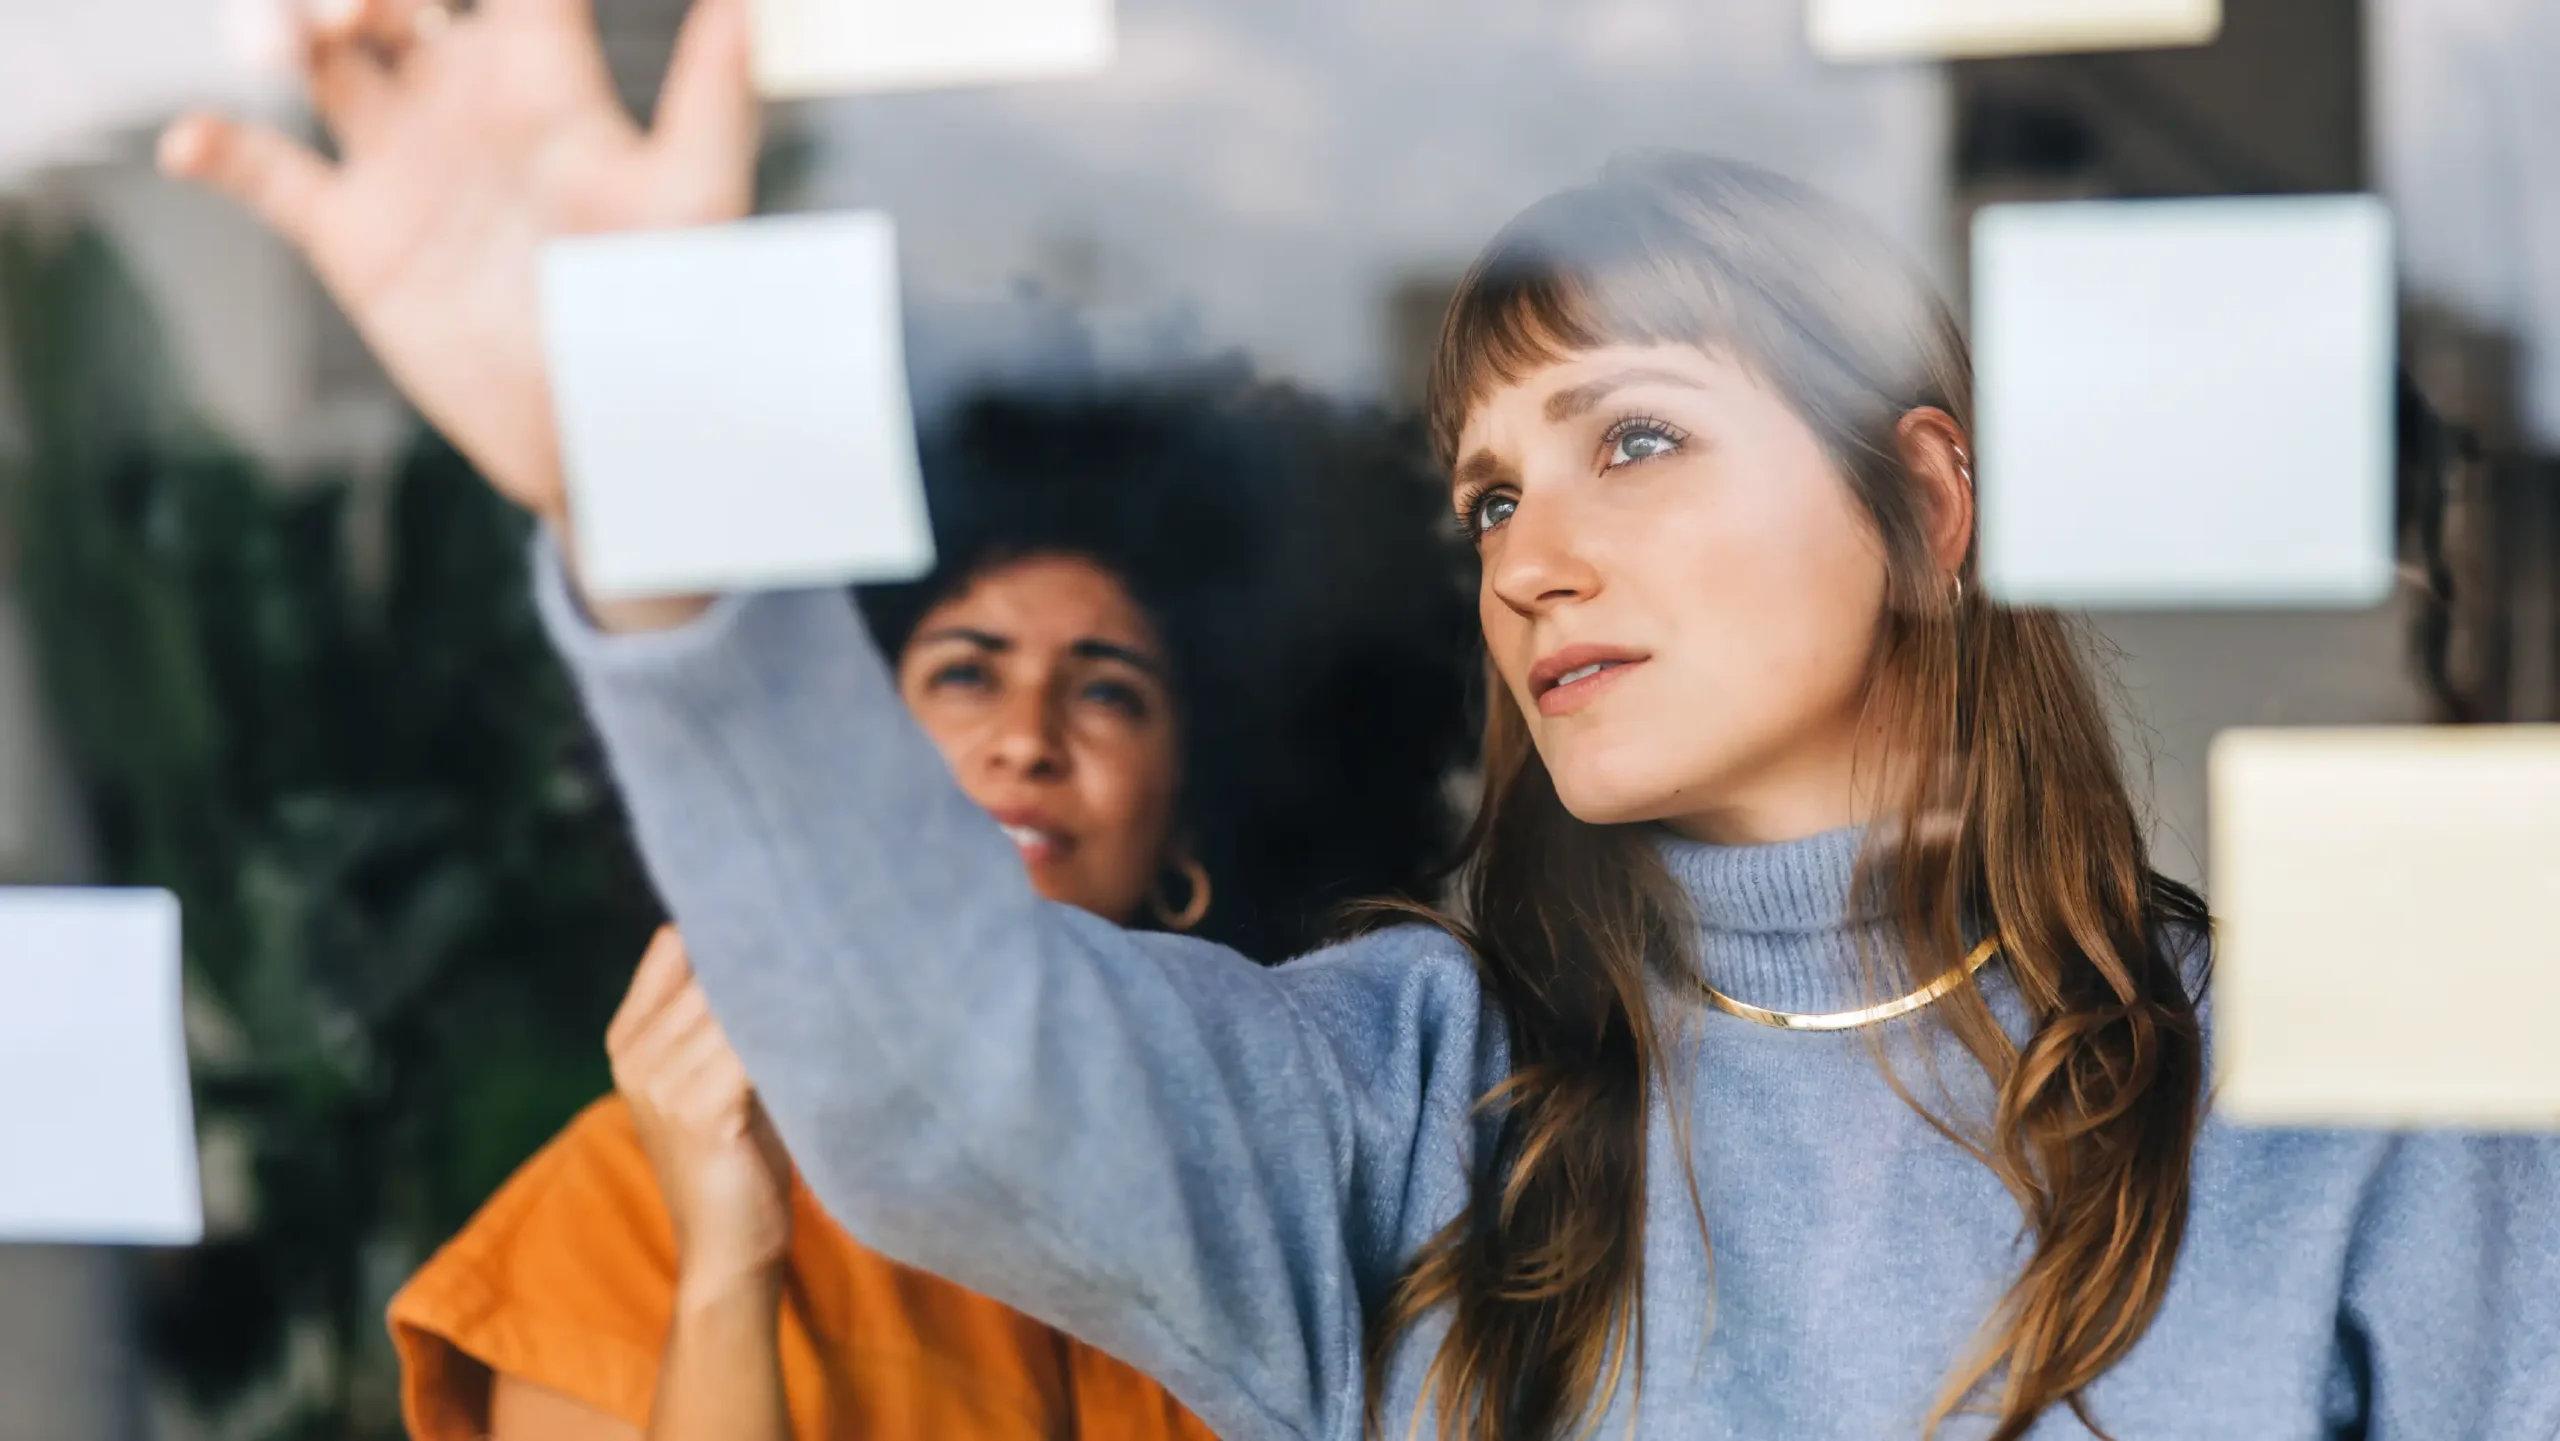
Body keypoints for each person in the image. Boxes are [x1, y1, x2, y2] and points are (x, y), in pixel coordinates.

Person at [166, 1, 2560, 1438]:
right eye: (1490, 487)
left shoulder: (2311, 1096)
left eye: (1631, 436)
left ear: (1917, 500)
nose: (1525, 550)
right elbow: (928, 1068)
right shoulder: (1413, 1093)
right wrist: (649, 490)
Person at [381, 373, 1477, 1441]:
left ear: (1188, 833)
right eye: (966, 672)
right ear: (850, 769)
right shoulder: (620, 1199)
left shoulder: (1284, 1204)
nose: (1027, 735)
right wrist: (728, 1258)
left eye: (1107, 690)